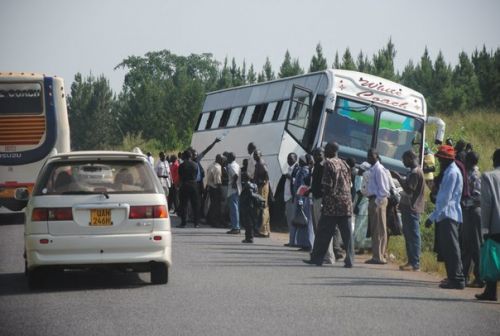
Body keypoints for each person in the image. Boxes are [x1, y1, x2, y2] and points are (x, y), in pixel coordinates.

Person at [303, 142, 354, 268]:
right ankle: (350, 260)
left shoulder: (329, 164)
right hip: (346, 204)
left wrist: (324, 202)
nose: (324, 151)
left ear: (331, 150)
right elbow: (349, 183)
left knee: (322, 232)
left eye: (326, 149)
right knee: (347, 235)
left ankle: (316, 259)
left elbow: (327, 186)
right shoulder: (345, 163)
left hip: (332, 205)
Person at [425, 145, 465, 289]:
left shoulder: (452, 173)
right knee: (448, 249)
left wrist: (432, 217)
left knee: (452, 248)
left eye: (441, 159)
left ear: (447, 159)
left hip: (449, 215)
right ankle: (452, 277)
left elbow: (444, 199)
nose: (440, 162)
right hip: (445, 215)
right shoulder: (449, 171)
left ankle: (458, 279)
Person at [391, 150, 425, 272]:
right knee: (409, 235)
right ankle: (411, 261)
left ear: (410, 158)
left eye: (404, 159)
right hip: (408, 207)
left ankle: (415, 263)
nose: (403, 162)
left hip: (412, 208)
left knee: (413, 236)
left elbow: (409, 190)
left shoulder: (415, 172)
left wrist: (398, 177)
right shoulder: (412, 171)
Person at [475, 148, 500, 301]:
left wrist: (484, 228)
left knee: (493, 256)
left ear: (495, 160)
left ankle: (491, 291)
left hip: (496, 224)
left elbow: (487, 204)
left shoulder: (488, 177)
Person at [461, 151, 484, 288]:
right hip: (468, 211)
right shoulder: (469, 173)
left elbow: (478, 197)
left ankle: (480, 278)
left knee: (475, 245)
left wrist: (464, 198)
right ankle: (464, 276)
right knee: (466, 245)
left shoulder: (476, 176)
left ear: (470, 161)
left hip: (474, 211)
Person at [365, 148, 391, 265]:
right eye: (368, 155)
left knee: (379, 229)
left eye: (371, 155)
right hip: (373, 199)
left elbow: (384, 190)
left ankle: (380, 256)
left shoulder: (379, 170)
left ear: (376, 155)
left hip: (378, 201)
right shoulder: (372, 169)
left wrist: (377, 202)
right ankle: (376, 255)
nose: (369, 157)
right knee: (375, 229)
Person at [311, 147, 335, 263]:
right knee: (318, 229)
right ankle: (319, 254)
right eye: (315, 154)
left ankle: (329, 256)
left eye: (319, 154)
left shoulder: (325, 166)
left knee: (324, 229)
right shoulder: (316, 166)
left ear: (323, 154)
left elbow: (326, 185)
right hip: (315, 199)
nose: (316, 156)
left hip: (322, 200)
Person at [294, 155, 315, 252]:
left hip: (304, 198)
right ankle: (304, 243)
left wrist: (300, 200)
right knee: (304, 221)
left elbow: (303, 186)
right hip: (303, 197)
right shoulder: (305, 170)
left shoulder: (305, 171)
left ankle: (308, 243)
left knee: (307, 221)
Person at [177, 150, 201, 228]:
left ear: (185, 156)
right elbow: (197, 176)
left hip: (184, 185)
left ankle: (183, 223)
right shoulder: (195, 165)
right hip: (194, 185)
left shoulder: (181, 165)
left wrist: (179, 186)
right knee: (195, 205)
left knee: (184, 204)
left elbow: (180, 177)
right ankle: (196, 223)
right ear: (190, 156)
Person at [353, 161, 372, 253]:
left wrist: (356, 206)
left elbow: (360, 193)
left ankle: (360, 246)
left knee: (361, 225)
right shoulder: (359, 177)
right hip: (363, 202)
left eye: (361, 169)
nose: (359, 170)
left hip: (362, 203)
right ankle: (360, 246)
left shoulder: (361, 178)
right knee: (361, 225)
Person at [240, 178, 266, 243]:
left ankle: (249, 238)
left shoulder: (248, 185)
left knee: (248, 222)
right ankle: (250, 237)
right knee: (250, 222)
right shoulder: (254, 185)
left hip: (249, 206)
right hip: (252, 206)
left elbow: (250, 194)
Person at [282, 152, 300, 246]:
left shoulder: (297, 169)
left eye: (291, 158)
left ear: (295, 159)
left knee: (292, 220)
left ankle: (293, 241)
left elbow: (298, 182)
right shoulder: (289, 168)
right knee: (289, 219)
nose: (289, 160)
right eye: (288, 158)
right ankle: (292, 240)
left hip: (292, 197)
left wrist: (291, 178)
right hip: (287, 197)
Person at [253, 150, 271, 237]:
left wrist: (263, 182)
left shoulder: (261, 163)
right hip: (260, 186)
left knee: (262, 207)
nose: (255, 156)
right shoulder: (258, 163)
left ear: (260, 155)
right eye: (254, 154)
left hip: (262, 187)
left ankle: (263, 231)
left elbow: (266, 173)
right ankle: (266, 229)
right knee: (263, 207)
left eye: (256, 154)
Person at [206, 154, 224, 228]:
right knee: (216, 206)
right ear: (219, 159)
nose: (223, 161)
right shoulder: (218, 167)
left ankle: (209, 219)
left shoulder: (211, 165)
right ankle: (215, 222)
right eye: (222, 159)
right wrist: (221, 193)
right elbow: (218, 182)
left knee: (212, 204)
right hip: (215, 188)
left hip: (210, 186)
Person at [226, 152, 241, 234]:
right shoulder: (237, 165)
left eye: (228, 157)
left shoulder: (231, 166)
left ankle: (235, 227)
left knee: (233, 209)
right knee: (236, 208)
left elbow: (235, 175)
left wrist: (234, 183)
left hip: (233, 189)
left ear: (230, 158)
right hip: (237, 189)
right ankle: (236, 226)